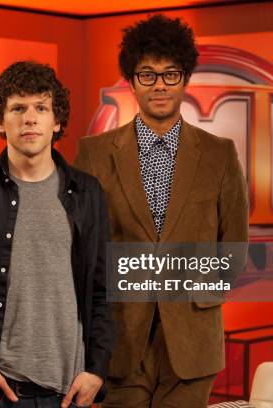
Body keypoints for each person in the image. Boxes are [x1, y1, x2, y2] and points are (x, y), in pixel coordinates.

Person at [74, 15, 249, 408]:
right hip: (117, 342)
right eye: (147, 74)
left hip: (192, 341)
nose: (159, 85)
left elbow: (234, 249)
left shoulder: (220, 154)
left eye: (170, 74)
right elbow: (78, 248)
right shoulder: (94, 153)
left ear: (185, 78)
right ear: (131, 80)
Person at [0, 61, 115, 408]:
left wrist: (97, 371)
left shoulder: (89, 193)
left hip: (69, 393)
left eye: (41, 108)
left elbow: (103, 291)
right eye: (18, 108)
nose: (30, 118)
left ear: (56, 121)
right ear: (0, 122)